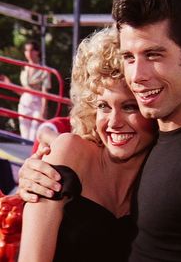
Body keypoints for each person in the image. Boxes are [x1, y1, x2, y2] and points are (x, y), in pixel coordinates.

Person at [19, 0, 181, 261]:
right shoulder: (157, 138)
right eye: (129, 57)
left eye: (153, 54)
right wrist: (35, 167)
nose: (137, 75)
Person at [18, 27, 156, 262]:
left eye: (130, 106)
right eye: (103, 106)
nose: (114, 122)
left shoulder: (166, 173)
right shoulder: (70, 153)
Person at [18, 40, 51, 141]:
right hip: (24, 102)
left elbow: (45, 93)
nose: (29, 53)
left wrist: (43, 110)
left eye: (32, 50)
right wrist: (9, 84)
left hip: (37, 103)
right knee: (24, 134)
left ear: (37, 52)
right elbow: (23, 90)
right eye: (27, 51)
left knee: (33, 135)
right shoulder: (24, 68)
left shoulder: (44, 70)